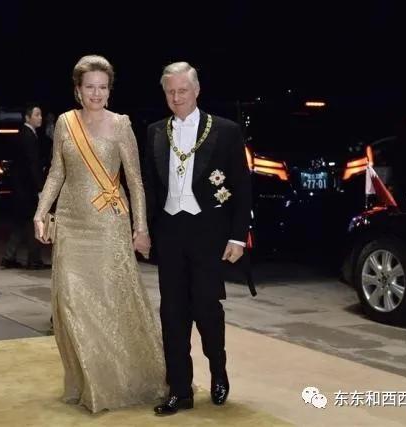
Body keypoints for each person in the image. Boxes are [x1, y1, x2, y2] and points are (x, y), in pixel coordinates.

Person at [33, 55, 166, 413]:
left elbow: (135, 182)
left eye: (103, 87)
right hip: (71, 224)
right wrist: (40, 212)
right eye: (90, 87)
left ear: (110, 90)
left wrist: (141, 228)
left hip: (109, 225)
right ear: (78, 90)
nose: (96, 93)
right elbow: (56, 173)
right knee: (72, 304)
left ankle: (124, 380)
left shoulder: (121, 124)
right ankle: (91, 384)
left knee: (111, 303)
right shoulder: (65, 122)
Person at [142, 62, 252, 415]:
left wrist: (238, 237)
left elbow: (242, 187)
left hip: (209, 234)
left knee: (206, 309)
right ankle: (180, 390)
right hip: (170, 234)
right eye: (170, 92)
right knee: (172, 314)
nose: (177, 98)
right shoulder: (155, 131)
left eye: (183, 90)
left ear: (197, 90)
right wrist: (142, 228)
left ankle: (218, 372)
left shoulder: (225, 130)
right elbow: (148, 187)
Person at [1, 104, 49, 270]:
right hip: (27, 189)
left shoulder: (27, 134)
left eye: (40, 114)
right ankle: (33, 259)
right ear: (28, 118)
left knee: (21, 223)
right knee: (32, 223)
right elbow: (31, 164)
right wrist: (40, 188)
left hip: (22, 188)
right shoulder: (28, 136)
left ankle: (9, 256)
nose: (40, 118)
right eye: (37, 115)